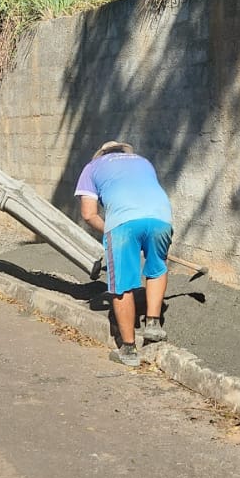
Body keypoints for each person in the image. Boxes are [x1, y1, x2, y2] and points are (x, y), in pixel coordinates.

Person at [75, 141, 174, 367]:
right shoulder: (143, 162)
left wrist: (111, 230)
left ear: (101, 154)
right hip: (161, 218)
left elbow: (89, 214)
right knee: (157, 268)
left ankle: (128, 350)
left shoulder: (92, 168)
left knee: (122, 283)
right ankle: (153, 323)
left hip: (123, 223)